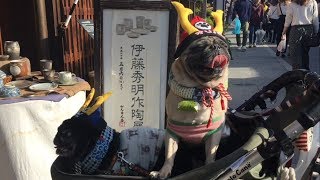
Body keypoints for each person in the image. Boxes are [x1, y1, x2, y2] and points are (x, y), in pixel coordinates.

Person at [282, 0, 319, 70]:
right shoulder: (313, 2)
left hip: (296, 30)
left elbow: (288, 20)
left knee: (296, 55)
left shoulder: (291, 4)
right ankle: (306, 73)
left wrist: (284, 31)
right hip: (308, 29)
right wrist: (316, 31)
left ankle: (297, 74)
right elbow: (315, 19)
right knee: (305, 54)